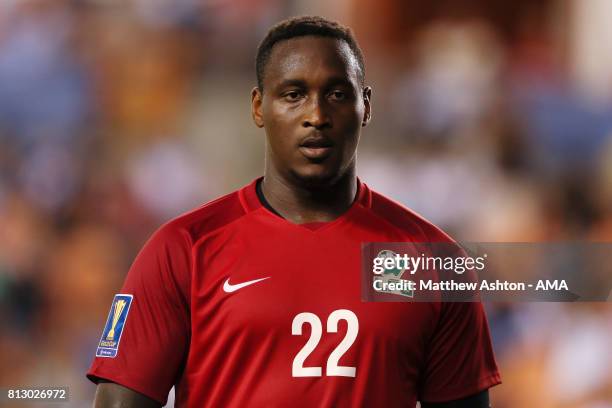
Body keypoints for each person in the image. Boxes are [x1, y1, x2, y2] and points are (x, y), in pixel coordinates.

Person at [87, 16, 501, 407]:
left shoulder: (435, 260)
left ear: (367, 106)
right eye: (293, 94)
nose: (316, 116)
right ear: (257, 107)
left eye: (337, 94)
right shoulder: (182, 250)